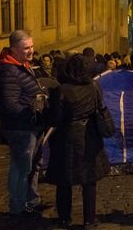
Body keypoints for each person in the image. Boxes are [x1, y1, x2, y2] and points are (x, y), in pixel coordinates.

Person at [46, 54, 111, 228]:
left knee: (64, 180)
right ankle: (89, 219)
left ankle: (64, 218)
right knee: (89, 180)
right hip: (89, 136)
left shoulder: (63, 89)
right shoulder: (94, 86)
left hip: (67, 137)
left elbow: (56, 118)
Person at [0, 30, 47, 216]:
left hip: (31, 125)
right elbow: (10, 105)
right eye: (26, 48)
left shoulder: (21, 64)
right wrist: (33, 113)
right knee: (21, 167)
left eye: (32, 46)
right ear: (13, 49)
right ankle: (17, 206)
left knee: (33, 165)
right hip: (20, 128)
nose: (31, 51)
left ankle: (31, 200)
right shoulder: (8, 71)